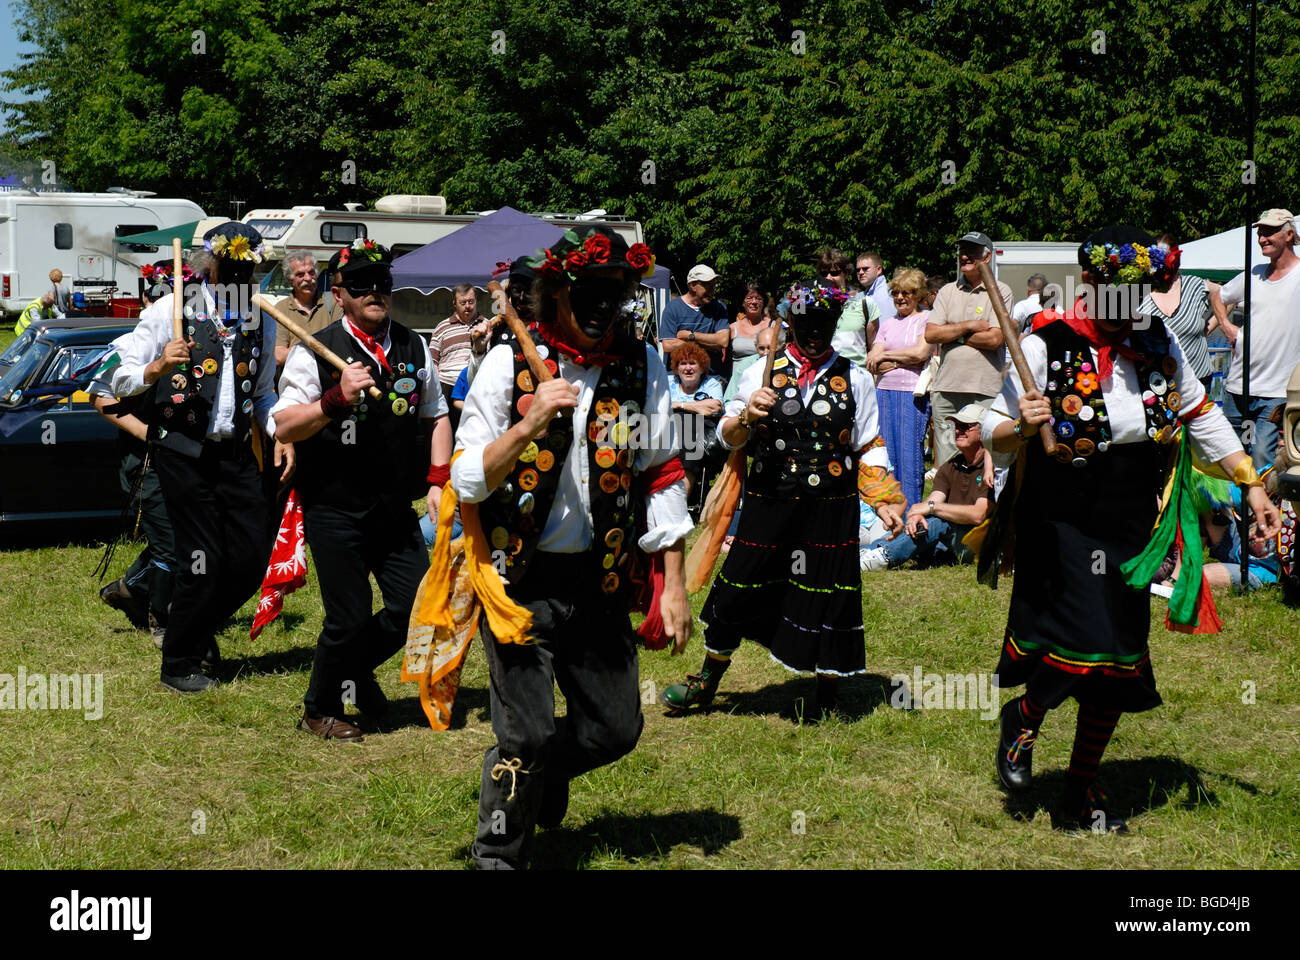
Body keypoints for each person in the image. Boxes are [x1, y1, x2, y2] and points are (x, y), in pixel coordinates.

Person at [980, 225, 1279, 833]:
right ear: (1090, 282)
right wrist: (1019, 423)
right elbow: (990, 427)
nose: (1130, 302)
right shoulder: (1045, 343)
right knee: (1088, 638)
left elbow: (1198, 410)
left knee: (1118, 657)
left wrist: (1249, 482)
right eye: (1119, 289)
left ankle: (1080, 790)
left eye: (1140, 288)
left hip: (1131, 518)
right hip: (1062, 516)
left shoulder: (1159, 340)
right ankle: (1026, 717)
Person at [447, 226, 690, 869]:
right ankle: (497, 853)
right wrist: (528, 423)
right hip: (520, 582)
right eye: (590, 292)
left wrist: (676, 585)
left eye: (616, 294)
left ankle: (542, 775)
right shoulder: (507, 359)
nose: (604, 308)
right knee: (524, 734)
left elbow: (661, 470)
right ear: (557, 292)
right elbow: (465, 475)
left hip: (601, 581)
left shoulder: (642, 365)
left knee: (617, 730)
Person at [661, 278, 906, 716]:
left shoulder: (856, 378)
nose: (815, 334)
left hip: (831, 509)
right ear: (790, 321)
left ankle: (829, 691)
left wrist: (884, 500)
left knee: (829, 591)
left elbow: (867, 446)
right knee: (739, 586)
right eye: (806, 324)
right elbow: (727, 436)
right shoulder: (760, 372)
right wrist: (747, 417)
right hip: (770, 502)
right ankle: (706, 680)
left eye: (824, 324)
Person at [273, 239, 451, 741]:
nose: (376, 292)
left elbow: (436, 414)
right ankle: (319, 706)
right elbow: (284, 426)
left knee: (416, 607)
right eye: (362, 285)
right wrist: (335, 399)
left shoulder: (414, 347)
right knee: (347, 617)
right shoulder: (316, 352)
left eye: (384, 284)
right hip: (335, 507)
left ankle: (350, 671)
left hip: (394, 506)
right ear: (340, 294)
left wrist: (438, 480)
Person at [107, 221, 294, 693]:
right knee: (202, 557)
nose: (238, 280)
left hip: (232, 452)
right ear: (211, 267)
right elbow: (119, 380)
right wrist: (158, 365)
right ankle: (178, 663)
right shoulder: (171, 310)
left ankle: (194, 627)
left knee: (253, 554)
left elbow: (266, 394)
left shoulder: (261, 317)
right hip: (181, 450)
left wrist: (282, 434)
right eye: (230, 269)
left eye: (247, 273)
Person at [1216, 209, 1300, 470]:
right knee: (1230, 459)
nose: (1262, 238)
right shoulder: (1252, 275)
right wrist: (1226, 325)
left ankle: (1263, 510)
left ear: (1289, 234)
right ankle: (1235, 511)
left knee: (1262, 458)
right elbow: (1218, 295)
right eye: (1260, 233)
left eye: (1269, 232)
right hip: (1237, 388)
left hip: (1277, 391)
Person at [860, 404, 991, 570]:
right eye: (956, 426)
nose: (958, 431)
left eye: (966, 427)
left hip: (980, 543)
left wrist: (930, 508)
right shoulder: (950, 466)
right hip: (950, 542)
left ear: (984, 432)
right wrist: (918, 515)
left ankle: (882, 555)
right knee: (919, 522)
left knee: (939, 520)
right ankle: (867, 553)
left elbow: (978, 514)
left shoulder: (992, 468)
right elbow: (933, 500)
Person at [925, 231, 1013, 466]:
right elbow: (931, 334)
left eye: (971, 252)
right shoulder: (947, 291)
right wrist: (969, 326)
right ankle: (947, 501)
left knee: (987, 456)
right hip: (947, 388)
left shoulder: (1000, 291)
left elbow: (995, 339)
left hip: (984, 388)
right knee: (946, 457)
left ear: (987, 257)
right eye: (962, 251)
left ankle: (983, 502)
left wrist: (954, 335)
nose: (964, 256)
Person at [866, 267, 934, 506]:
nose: (900, 298)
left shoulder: (926, 319)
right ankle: (889, 513)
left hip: (911, 394)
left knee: (909, 455)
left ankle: (911, 514)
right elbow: (873, 357)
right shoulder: (887, 324)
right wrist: (894, 359)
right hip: (883, 392)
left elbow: (920, 352)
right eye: (895, 293)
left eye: (906, 293)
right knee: (887, 455)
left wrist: (889, 358)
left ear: (917, 294)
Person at [1137, 234, 1221, 395]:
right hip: (1156, 384)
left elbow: (1227, 296)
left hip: (1199, 381)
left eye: (1166, 257)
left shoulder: (1195, 285)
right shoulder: (1140, 291)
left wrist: (1214, 323)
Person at [668, 342, 725, 499]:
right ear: (676, 368)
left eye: (693, 363)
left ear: (702, 368)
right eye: (683, 364)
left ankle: (680, 503)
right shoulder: (668, 382)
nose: (687, 368)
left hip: (697, 433)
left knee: (685, 423)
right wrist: (698, 407)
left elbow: (714, 407)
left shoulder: (711, 383)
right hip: (667, 432)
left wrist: (679, 404)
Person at [430, 282, 489, 427]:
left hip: (476, 385)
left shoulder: (486, 325)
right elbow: (432, 360)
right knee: (447, 430)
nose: (467, 306)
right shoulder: (442, 326)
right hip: (447, 386)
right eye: (463, 302)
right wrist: (437, 387)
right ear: (454, 303)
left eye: (471, 301)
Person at [658, 264, 730, 377]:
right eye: (708, 285)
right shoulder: (673, 308)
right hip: (678, 378)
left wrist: (690, 335)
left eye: (714, 285)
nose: (712, 290)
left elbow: (723, 340)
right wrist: (710, 344)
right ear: (692, 285)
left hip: (711, 376)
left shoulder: (719, 307)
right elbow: (668, 345)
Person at [275, 249, 336, 369]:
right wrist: (318, 346)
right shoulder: (280, 310)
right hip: (295, 383)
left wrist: (298, 349)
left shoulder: (333, 303)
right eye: (300, 275)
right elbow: (279, 356)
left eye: (311, 272)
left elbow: (340, 346)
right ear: (290, 280)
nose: (308, 278)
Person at [825, 247, 879, 367]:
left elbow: (873, 347)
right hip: (825, 375)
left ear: (846, 274)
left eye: (834, 273)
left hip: (857, 373)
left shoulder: (865, 303)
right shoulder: (813, 306)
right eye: (824, 273)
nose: (828, 277)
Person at [730, 280, 773, 363]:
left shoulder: (774, 326)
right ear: (743, 302)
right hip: (738, 375)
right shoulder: (732, 328)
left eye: (758, 298)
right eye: (749, 298)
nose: (754, 302)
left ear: (763, 302)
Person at [854, 250, 897, 322]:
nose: (861, 272)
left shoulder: (892, 292)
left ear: (879, 269)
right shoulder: (859, 297)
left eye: (865, 269)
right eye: (858, 270)